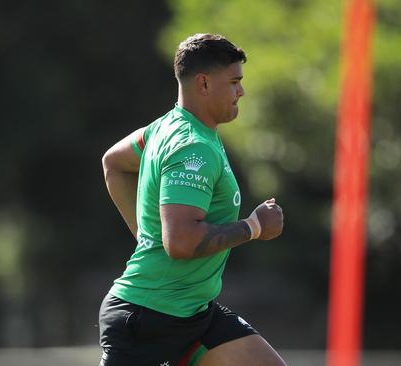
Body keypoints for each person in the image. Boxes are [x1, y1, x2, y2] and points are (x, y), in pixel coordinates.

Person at [99, 33, 286, 366]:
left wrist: (147, 236)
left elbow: (113, 162)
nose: (241, 91)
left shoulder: (165, 127)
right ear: (203, 84)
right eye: (234, 81)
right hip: (149, 320)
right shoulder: (191, 146)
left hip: (193, 313)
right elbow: (182, 241)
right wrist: (254, 226)